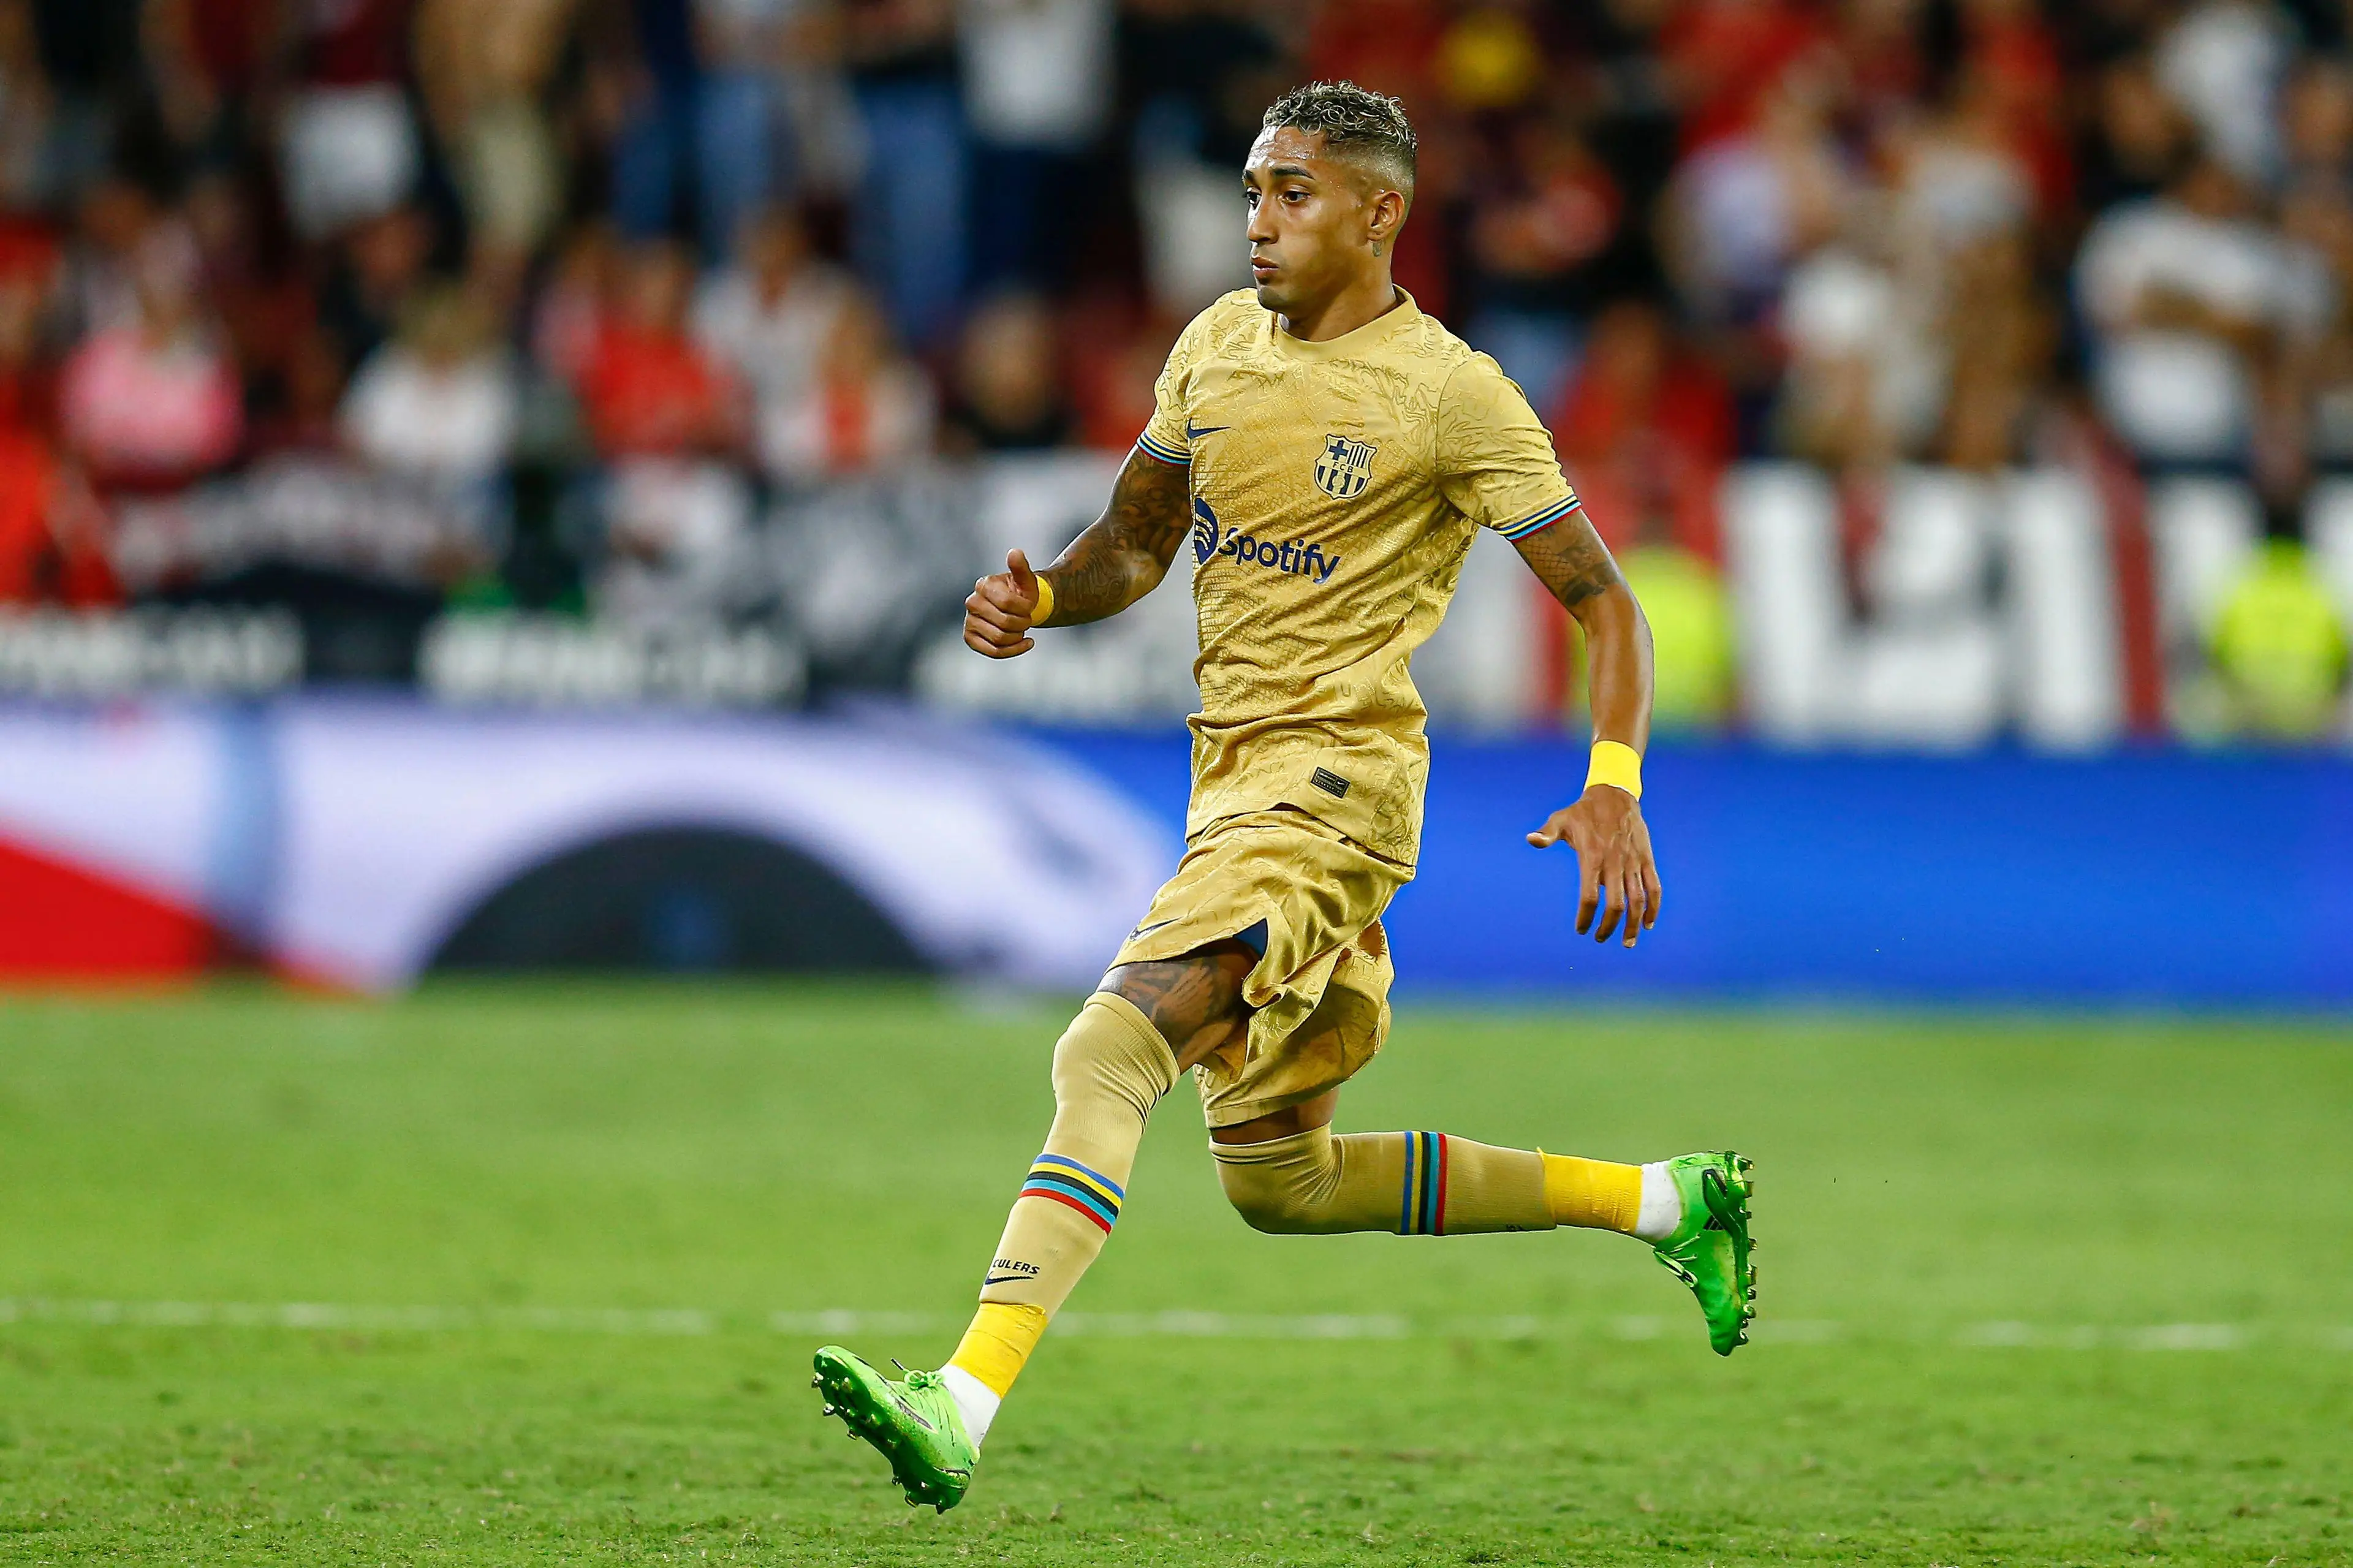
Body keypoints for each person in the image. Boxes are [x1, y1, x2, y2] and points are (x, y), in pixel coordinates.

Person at [811, 81, 1755, 1514]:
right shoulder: (1213, 348)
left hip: (1332, 795)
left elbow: (1605, 603)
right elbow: (1136, 546)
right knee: (1279, 1182)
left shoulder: (1453, 392)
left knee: (1108, 1048)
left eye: (1292, 194)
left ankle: (961, 1396)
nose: (1258, 220)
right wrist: (1044, 597)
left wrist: (1613, 784)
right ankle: (1676, 1203)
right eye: (1254, 189)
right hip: (1230, 789)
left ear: (1381, 214)